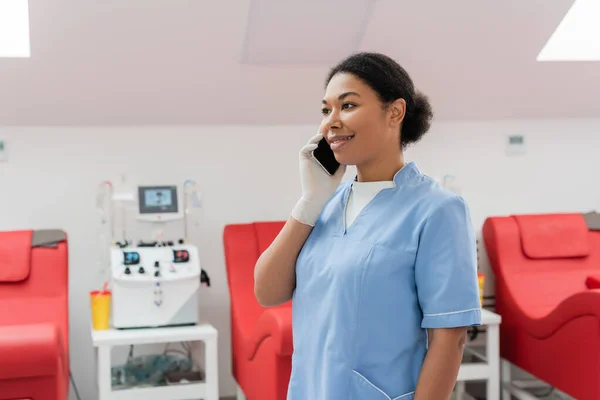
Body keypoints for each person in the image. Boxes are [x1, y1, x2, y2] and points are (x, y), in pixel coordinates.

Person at [254, 52, 481, 400]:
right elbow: (267, 292)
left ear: (395, 112)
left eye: (347, 106)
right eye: (325, 110)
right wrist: (310, 201)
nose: (331, 122)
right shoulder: (325, 202)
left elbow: (449, 339)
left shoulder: (438, 210)